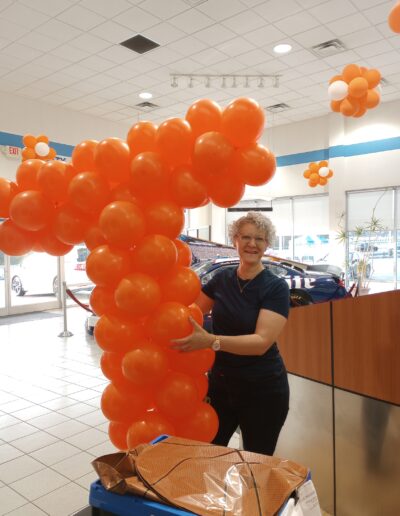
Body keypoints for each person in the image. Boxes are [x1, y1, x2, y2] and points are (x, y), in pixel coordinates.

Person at [172, 211, 290, 456]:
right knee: (210, 455)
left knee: (255, 461)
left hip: (263, 390)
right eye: (245, 237)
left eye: (259, 239)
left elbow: (261, 342)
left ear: (267, 245)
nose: (252, 244)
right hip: (222, 386)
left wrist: (211, 341)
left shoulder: (275, 287)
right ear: (234, 240)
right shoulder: (222, 279)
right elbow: (189, 315)